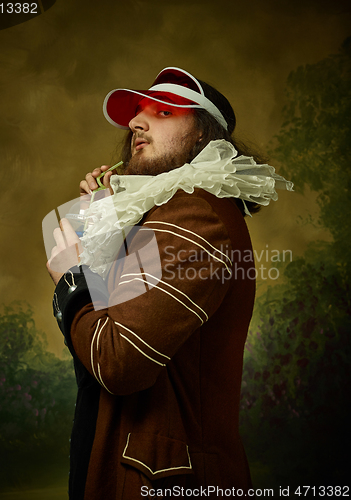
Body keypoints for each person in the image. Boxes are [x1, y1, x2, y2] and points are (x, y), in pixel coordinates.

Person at [46, 67, 293, 499]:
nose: (136, 123)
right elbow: (114, 325)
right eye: (137, 113)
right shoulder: (172, 212)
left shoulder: (196, 214)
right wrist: (103, 221)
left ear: (203, 134)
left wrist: (71, 280)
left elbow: (118, 362)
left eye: (162, 111)